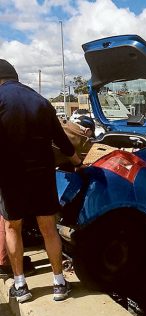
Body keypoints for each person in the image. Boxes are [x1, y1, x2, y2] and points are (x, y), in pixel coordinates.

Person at [0, 59, 82, 303]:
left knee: (12, 228)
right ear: (15, 76)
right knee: (48, 229)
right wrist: (78, 163)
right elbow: (63, 141)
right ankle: (58, 283)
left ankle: (21, 286)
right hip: (42, 175)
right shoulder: (40, 101)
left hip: (10, 176)